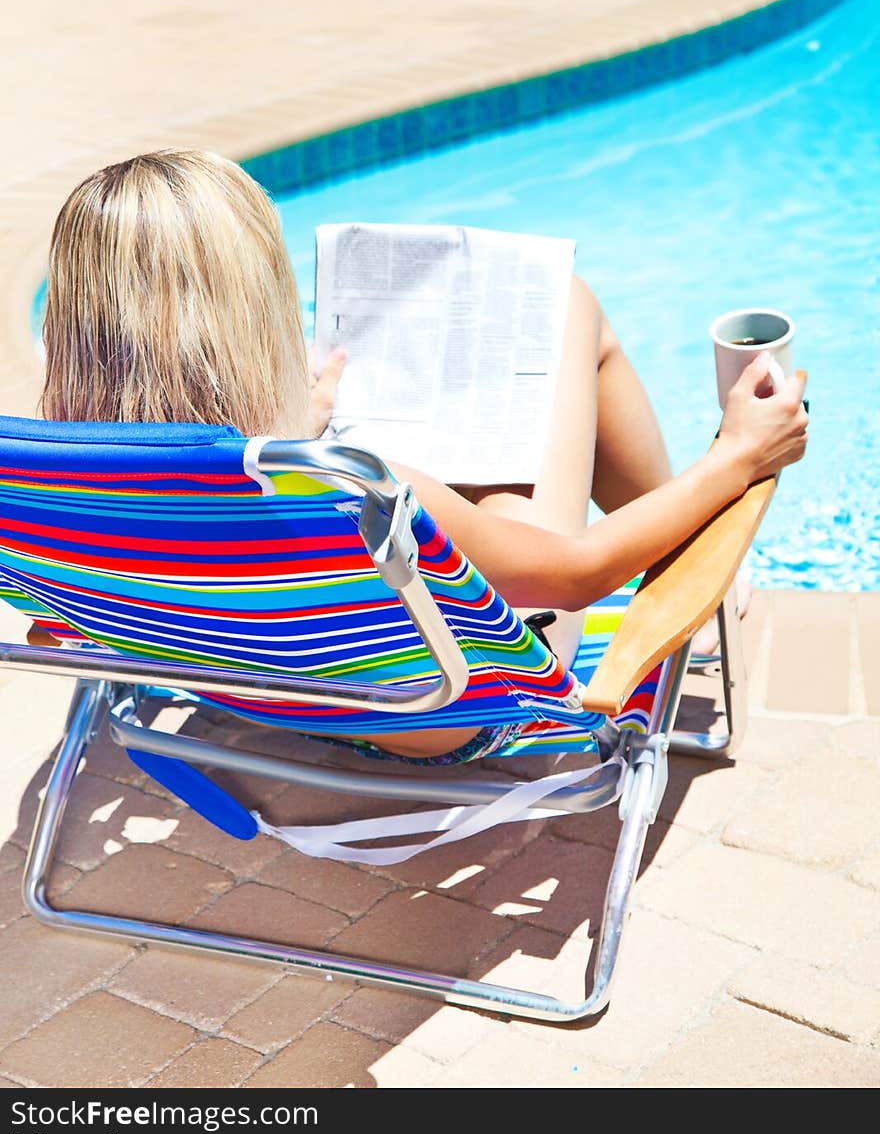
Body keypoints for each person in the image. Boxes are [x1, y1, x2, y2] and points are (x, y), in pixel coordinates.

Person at [35, 149, 808, 759]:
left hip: (257, 693)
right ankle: (690, 575)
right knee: (568, 308)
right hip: (452, 711)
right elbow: (578, 578)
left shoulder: (45, 484)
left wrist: (295, 423)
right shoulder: (346, 488)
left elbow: (51, 630)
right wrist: (736, 455)